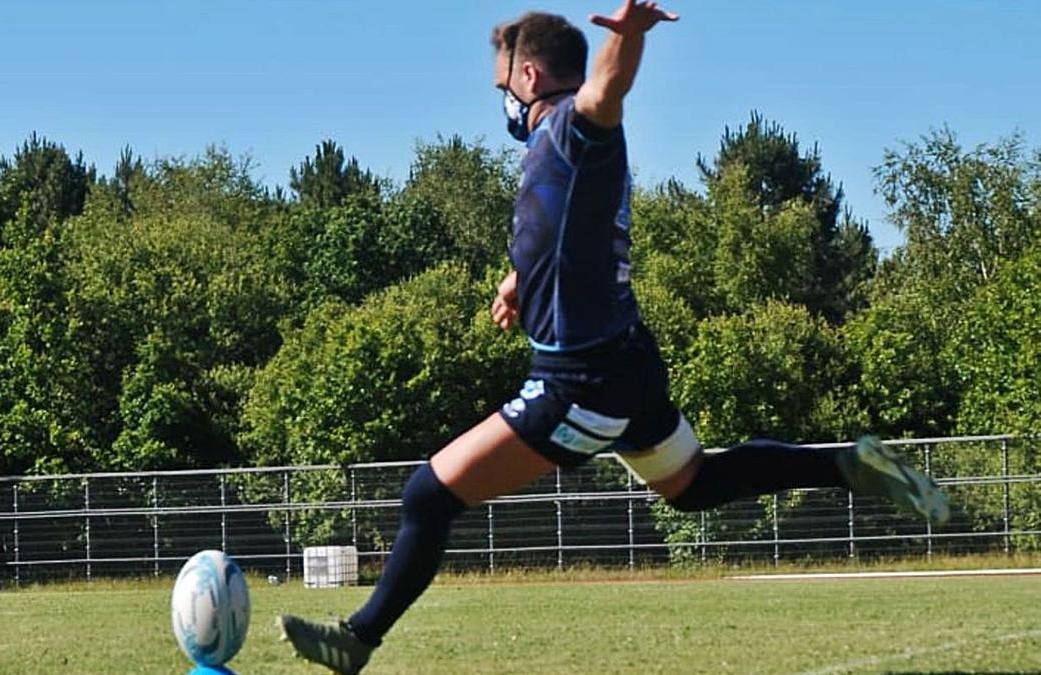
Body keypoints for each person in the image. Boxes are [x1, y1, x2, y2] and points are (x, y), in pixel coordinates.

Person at [278, 3, 949, 673]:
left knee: (428, 493)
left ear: (531, 74)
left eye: (501, 85)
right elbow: (570, 232)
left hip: (580, 379)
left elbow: (606, 91)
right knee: (693, 484)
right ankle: (846, 466)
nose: (500, 99)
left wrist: (626, 41)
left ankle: (357, 639)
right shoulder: (557, 152)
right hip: (626, 361)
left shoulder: (572, 127)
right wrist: (522, 279)